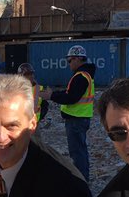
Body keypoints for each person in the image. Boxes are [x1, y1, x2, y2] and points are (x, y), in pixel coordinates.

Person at [37, 45, 95, 181]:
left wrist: (51, 97)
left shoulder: (80, 77)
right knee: (80, 150)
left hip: (76, 119)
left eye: (70, 60)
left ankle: (81, 179)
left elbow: (71, 98)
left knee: (77, 152)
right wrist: (53, 94)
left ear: (78, 59)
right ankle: (83, 176)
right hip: (80, 118)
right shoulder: (84, 75)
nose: (69, 64)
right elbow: (69, 93)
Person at [17, 62, 48, 126]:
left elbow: (44, 105)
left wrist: (40, 116)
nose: (31, 76)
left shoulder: (39, 88)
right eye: (28, 74)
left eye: (31, 74)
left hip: (34, 125)